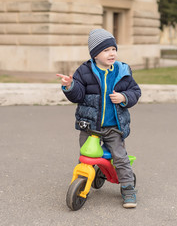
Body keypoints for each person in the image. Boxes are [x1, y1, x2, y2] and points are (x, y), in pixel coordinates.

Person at [56, 28, 141, 208]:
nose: (112, 53)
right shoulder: (84, 71)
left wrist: (124, 97)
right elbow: (78, 96)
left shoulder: (122, 71)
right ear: (95, 54)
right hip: (89, 126)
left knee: (120, 158)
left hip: (113, 127)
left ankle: (128, 189)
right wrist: (70, 86)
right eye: (106, 50)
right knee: (86, 156)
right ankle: (84, 179)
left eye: (113, 49)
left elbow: (135, 91)